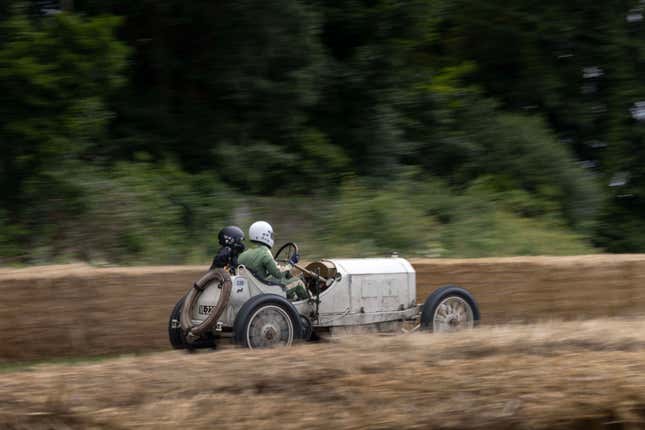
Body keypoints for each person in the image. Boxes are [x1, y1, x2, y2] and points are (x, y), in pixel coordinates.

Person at [237, 221, 309, 301]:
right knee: (298, 282)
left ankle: (293, 300)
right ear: (264, 236)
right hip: (265, 291)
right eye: (270, 235)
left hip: (253, 291)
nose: (271, 238)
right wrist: (291, 263)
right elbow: (278, 273)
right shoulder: (264, 252)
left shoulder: (242, 255)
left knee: (284, 278)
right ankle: (311, 306)